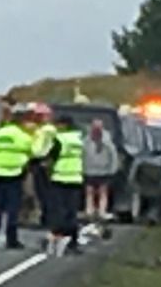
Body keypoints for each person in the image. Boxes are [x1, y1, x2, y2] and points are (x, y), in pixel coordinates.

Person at [0, 102, 36, 249]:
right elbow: (33, 152)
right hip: (14, 175)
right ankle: (12, 240)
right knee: (12, 209)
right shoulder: (23, 135)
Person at [49, 113, 86, 255]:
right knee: (72, 211)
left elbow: (52, 155)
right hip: (75, 177)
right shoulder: (78, 138)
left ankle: (57, 241)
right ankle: (73, 242)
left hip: (60, 176)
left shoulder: (60, 139)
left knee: (59, 210)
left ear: (64, 125)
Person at [81, 117, 120, 225]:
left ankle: (102, 211)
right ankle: (89, 211)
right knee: (89, 191)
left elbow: (113, 156)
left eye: (98, 127)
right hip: (89, 170)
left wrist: (113, 169)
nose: (96, 129)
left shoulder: (107, 141)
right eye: (94, 127)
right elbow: (82, 154)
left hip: (104, 171)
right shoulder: (86, 141)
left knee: (103, 192)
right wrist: (81, 167)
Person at [27, 104, 57, 228]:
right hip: (39, 161)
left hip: (42, 162)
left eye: (39, 115)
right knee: (40, 191)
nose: (36, 118)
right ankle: (45, 216)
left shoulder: (47, 130)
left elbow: (40, 148)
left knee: (44, 191)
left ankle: (47, 217)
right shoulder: (42, 129)